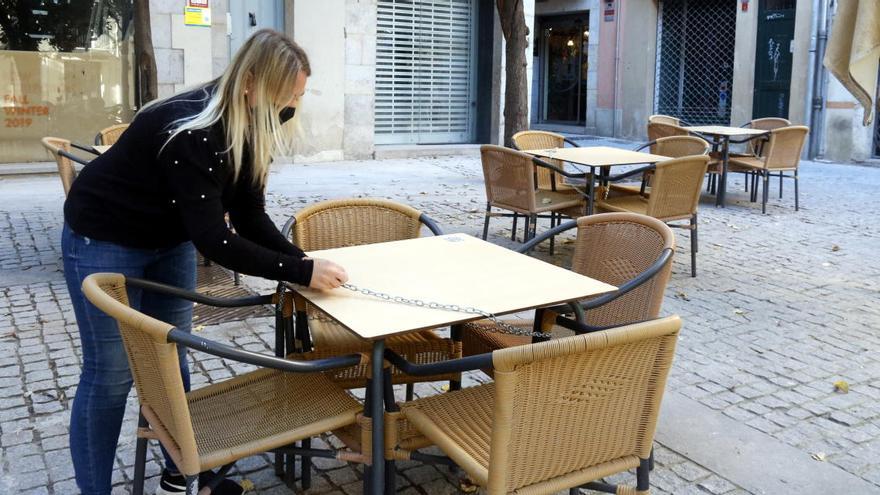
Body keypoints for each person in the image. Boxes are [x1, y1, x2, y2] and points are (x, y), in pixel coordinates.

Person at [62, 29, 348, 495]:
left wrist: (302, 261)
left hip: (168, 238)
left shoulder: (256, 122)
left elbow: (250, 213)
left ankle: (180, 473)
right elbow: (216, 240)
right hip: (105, 234)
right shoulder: (190, 130)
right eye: (286, 97)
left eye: (298, 98)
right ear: (251, 82)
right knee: (110, 374)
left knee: (172, 358)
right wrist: (299, 271)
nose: (291, 108)